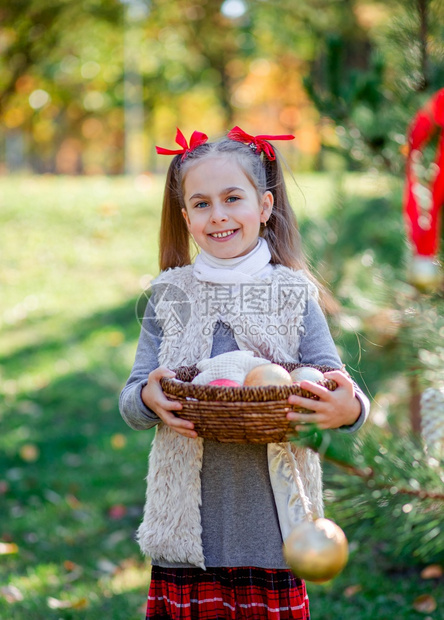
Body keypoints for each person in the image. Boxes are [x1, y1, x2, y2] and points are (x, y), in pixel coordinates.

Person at [119, 126, 370, 620]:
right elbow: (132, 398)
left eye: (232, 198)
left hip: (274, 531)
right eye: (202, 204)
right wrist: (150, 399)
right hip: (190, 534)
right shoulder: (170, 297)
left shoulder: (293, 294)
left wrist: (351, 408)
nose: (219, 216)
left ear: (265, 205)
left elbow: (337, 386)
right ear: (186, 216)